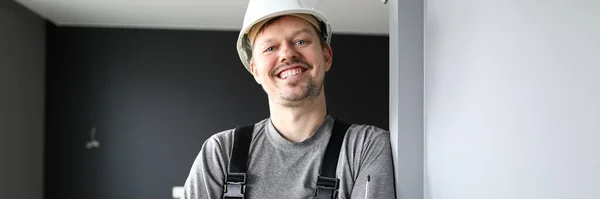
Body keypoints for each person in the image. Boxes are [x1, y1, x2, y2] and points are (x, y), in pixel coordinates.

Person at [182, 0, 396, 198]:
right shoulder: (221, 153)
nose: (287, 54)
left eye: (301, 41)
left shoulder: (365, 147)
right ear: (255, 71)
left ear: (327, 56)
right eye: (270, 48)